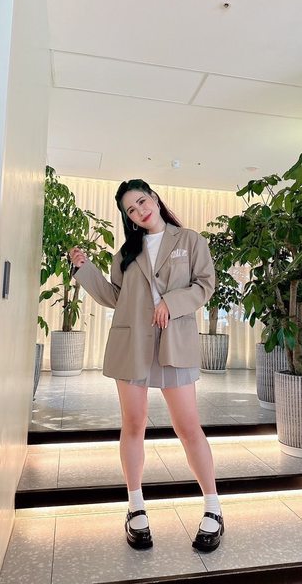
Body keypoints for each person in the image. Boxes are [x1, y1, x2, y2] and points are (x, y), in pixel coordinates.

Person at [69, 179, 224, 553]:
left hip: (174, 341)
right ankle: (135, 506)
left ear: (154, 197)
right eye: (131, 210)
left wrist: (172, 302)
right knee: (134, 425)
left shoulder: (190, 240)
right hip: (132, 343)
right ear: (129, 218)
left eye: (142, 201)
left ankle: (213, 508)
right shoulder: (126, 252)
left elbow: (206, 285)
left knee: (188, 427)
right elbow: (116, 297)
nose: (140, 211)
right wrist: (85, 271)